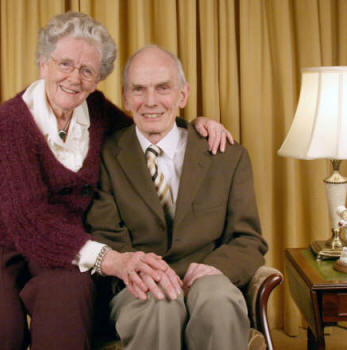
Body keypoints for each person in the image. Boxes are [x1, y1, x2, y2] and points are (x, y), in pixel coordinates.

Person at [0, 12, 231, 350]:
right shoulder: (11, 122)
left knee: (69, 302)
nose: (74, 78)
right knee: (2, 333)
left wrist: (195, 126)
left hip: (67, 243)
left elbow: (146, 128)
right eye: (65, 64)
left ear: (98, 78)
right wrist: (111, 260)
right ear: (44, 64)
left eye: (87, 70)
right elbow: (30, 221)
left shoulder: (97, 111)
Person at [86, 45, 268, 350]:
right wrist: (148, 272)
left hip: (208, 276)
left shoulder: (227, 156)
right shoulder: (104, 156)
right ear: (126, 97)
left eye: (163, 88)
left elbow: (248, 240)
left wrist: (215, 269)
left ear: (182, 95)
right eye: (139, 90)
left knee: (218, 300)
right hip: (140, 284)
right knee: (159, 303)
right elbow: (106, 236)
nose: (151, 101)